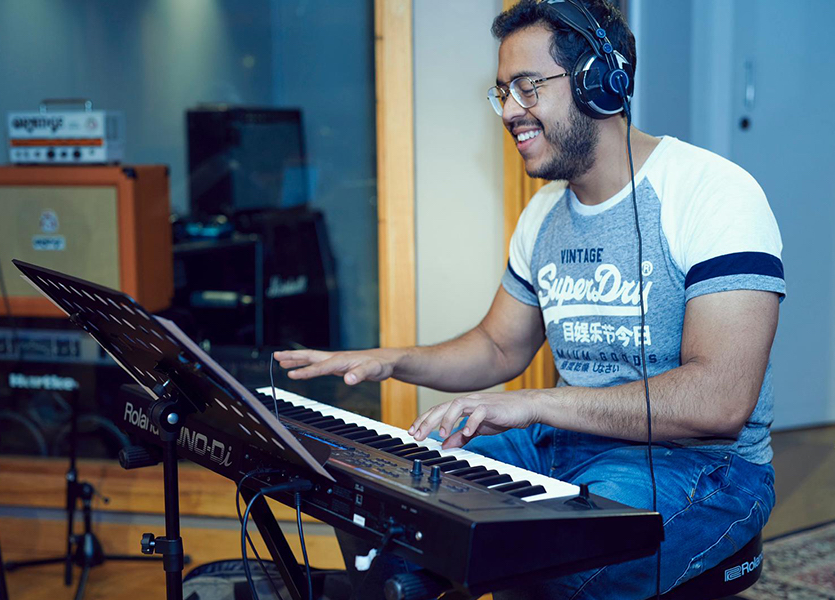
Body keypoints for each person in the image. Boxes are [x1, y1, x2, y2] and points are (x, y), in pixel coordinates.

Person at [275, 1, 784, 598]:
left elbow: (719, 401)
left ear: (601, 80)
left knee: (541, 563)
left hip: (704, 467)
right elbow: (497, 346)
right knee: (397, 498)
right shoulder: (543, 215)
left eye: (527, 86)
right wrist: (393, 359)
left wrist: (536, 404)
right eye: (501, 92)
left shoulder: (714, 195)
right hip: (567, 445)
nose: (511, 110)